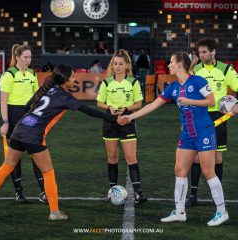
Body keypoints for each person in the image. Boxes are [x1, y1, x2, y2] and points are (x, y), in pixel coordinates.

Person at [0, 64, 125, 220]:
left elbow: (26, 107)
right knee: (48, 172)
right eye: (72, 77)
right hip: (33, 135)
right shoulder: (64, 96)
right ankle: (54, 212)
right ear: (64, 80)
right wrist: (115, 119)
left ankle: (54, 211)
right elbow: (89, 111)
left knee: (7, 166)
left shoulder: (46, 89)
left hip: (19, 129)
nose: (74, 79)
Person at [123, 52, 229, 226]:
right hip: (187, 134)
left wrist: (190, 101)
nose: (168, 65)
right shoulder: (172, 87)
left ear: (180, 64)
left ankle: (222, 211)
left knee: (209, 172)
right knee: (179, 171)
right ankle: (180, 212)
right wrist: (130, 117)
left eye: (171, 62)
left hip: (204, 131)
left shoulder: (198, 81)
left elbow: (211, 101)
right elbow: (153, 105)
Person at [186, 37, 238, 206]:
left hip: (219, 116)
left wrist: (235, 106)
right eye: (199, 52)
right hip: (198, 114)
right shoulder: (196, 69)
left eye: (204, 52)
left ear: (213, 52)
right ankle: (193, 195)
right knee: (195, 156)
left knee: (216, 156)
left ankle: (218, 195)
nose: (201, 55)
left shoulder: (226, 70)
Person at [96, 49, 147, 205]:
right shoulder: (106, 82)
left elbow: (139, 104)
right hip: (110, 123)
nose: (117, 67)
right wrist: (109, 108)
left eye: (121, 64)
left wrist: (125, 110)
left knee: (131, 158)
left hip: (127, 122)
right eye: (115, 64)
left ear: (127, 65)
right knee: (112, 158)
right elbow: (99, 103)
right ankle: (112, 191)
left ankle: (138, 193)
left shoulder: (133, 82)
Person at [0, 44, 48, 203]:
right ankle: (18, 193)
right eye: (25, 57)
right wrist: (5, 122)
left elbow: (36, 97)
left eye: (30, 57)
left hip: (29, 118)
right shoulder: (9, 75)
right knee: (14, 158)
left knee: (37, 155)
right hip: (12, 118)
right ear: (18, 57)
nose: (28, 60)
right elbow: (3, 101)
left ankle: (44, 192)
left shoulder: (32, 74)